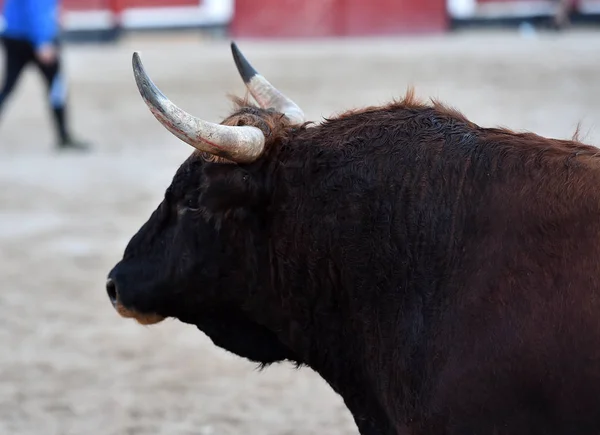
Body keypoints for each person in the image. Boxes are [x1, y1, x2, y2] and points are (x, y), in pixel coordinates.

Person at [0, 0, 90, 151]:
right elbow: (36, 6)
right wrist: (42, 40)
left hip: (15, 34)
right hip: (35, 39)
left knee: (8, 87)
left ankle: (64, 136)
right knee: (56, 86)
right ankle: (63, 136)